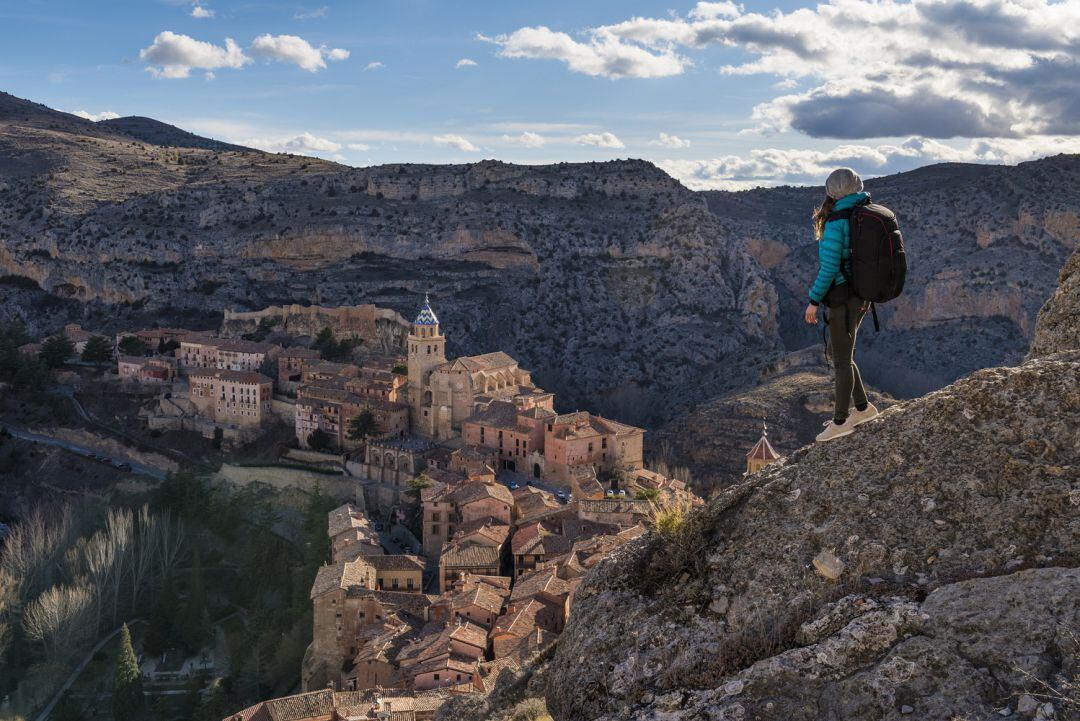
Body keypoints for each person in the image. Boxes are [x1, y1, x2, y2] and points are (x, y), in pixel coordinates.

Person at [805, 168, 880, 442]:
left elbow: (828, 269)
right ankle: (862, 407)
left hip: (842, 298)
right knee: (840, 351)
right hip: (860, 296)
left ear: (831, 192)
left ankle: (840, 422)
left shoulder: (837, 222)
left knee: (840, 359)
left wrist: (813, 301)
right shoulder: (863, 212)